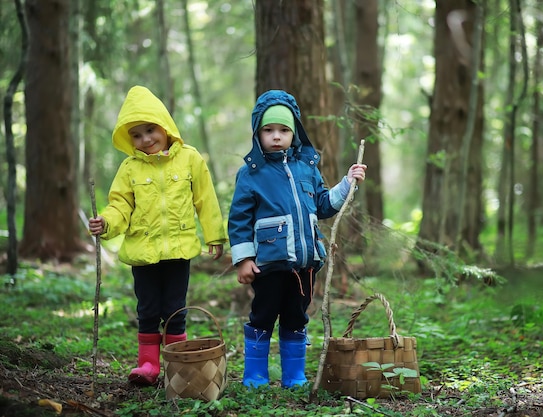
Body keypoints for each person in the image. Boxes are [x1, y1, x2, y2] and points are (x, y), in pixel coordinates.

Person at [228, 89, 367, 388]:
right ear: (258, 132)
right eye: (269, 130)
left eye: (283, 130)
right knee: (262, 315)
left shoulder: (307, 168)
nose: (276, 136)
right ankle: (255, 375)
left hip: (304, 264)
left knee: (296, 317)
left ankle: (294, 376)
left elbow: (323, 205)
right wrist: (244, 259)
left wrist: (347, 183)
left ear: (294, 133)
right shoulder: (251, 173)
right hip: (267, 264)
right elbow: (239, 218)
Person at [89, 85, 227, 386]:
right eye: (136, 135)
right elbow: (120, 205)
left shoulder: (190, 159)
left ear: (164, 126)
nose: (145, 139)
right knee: (148, 309)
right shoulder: (130, 168)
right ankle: (149, 365)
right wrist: (106, 222)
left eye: (150, 130)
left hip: (178, 250)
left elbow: (205, 199)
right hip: (143, 251)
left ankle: (178, 364)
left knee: (175, 309)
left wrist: (214, 235)